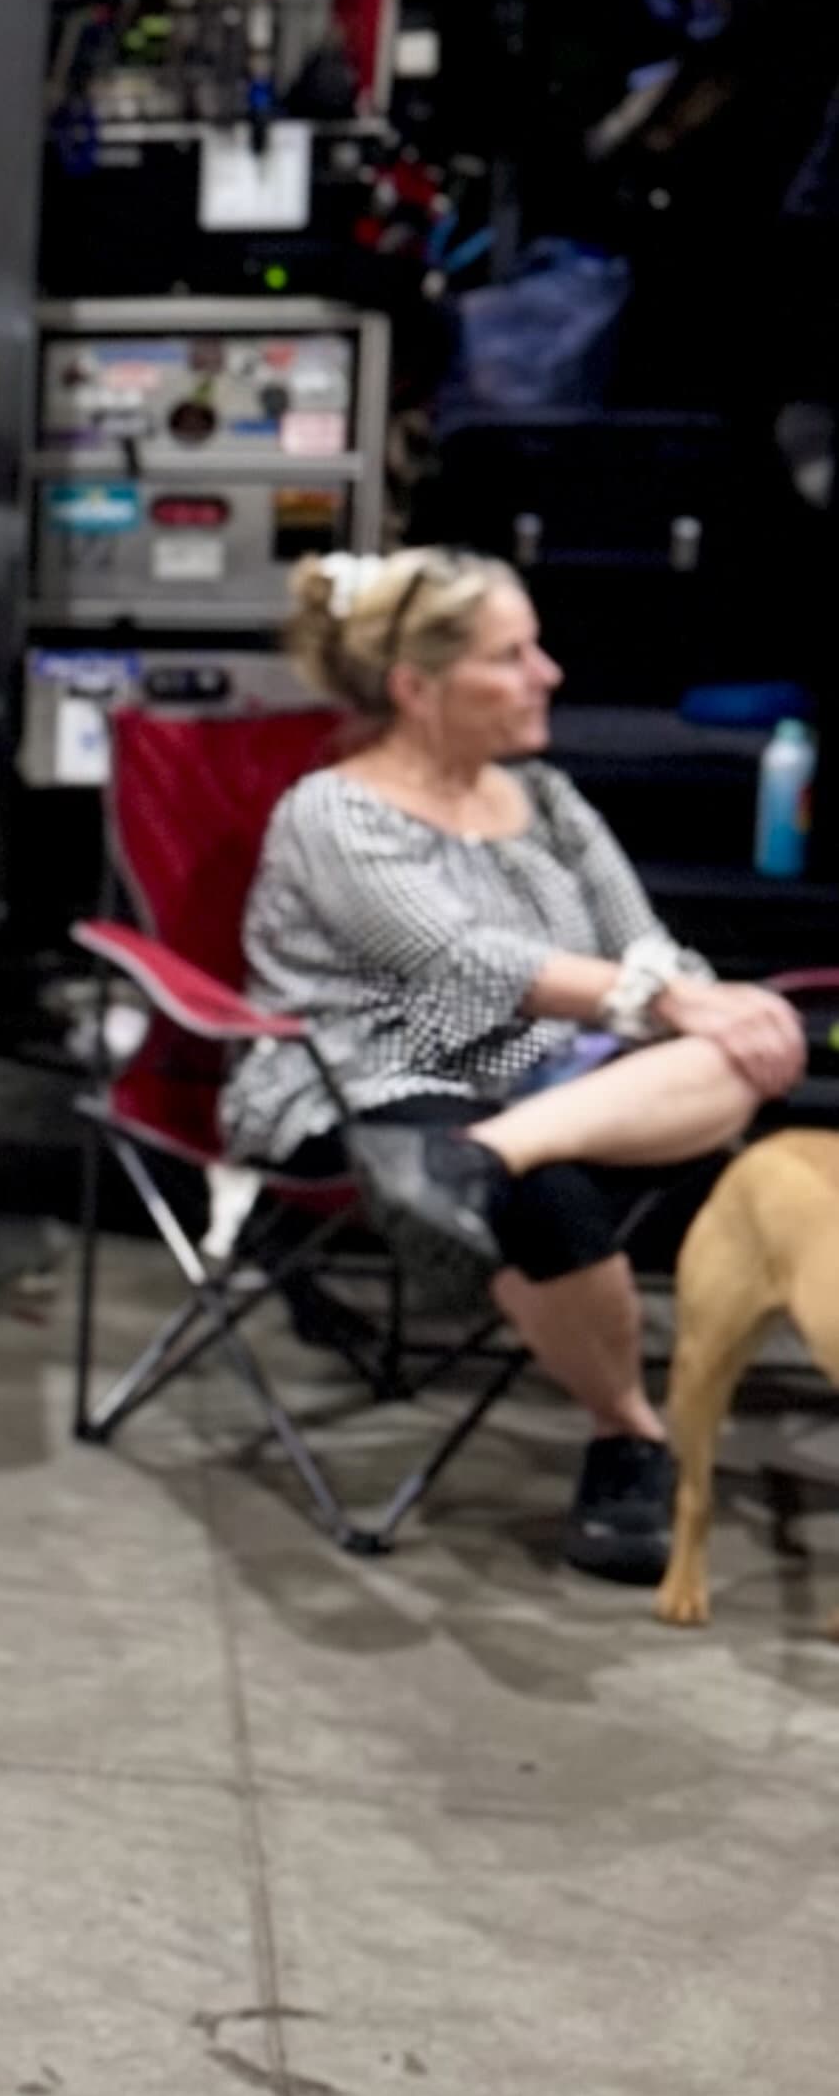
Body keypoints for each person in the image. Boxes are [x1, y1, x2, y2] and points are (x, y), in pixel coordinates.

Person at [227, 546, 809, 1581]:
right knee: (552, 1197)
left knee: (740, 1041)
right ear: (417, 686)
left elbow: (641, 943)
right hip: (367, 1080)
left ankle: (477, 1159)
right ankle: (627, 1433)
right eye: (511, 654)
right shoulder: (332, 811)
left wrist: (697, 993)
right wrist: (673, 997)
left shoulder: (541, 795)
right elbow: (462, 958)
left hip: (534, 1090)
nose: (546, 672)